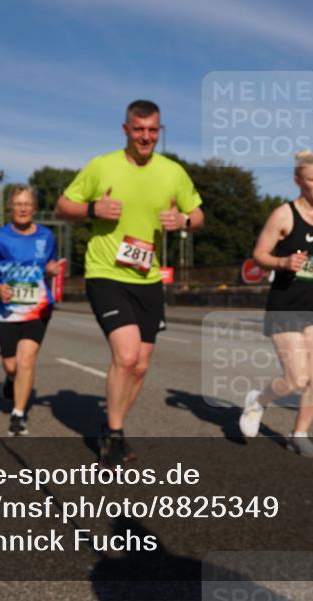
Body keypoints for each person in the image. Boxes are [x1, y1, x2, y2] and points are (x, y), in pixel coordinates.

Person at [56, 99, 203, 465]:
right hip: (106, 273)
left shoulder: (173, 172)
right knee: (125, 355)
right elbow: (62, 206)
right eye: (138, 130)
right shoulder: (101, 166)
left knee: (141, 365)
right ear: (125, 130)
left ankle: (111, 426)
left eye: (153, 130)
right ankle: (116, 435)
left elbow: (198, 214)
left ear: (160, 130)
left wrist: (183, 222)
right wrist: (93, 209)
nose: (146, 136)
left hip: (147, 278)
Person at [238, 151, 313, 457]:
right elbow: (258, 255)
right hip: (286, 302)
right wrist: (283, 261)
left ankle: (299, 434)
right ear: (297, 181)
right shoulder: (283, 215)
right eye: (312, 179)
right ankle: (258, 401)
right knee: (297, 378)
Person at [0, 187, 58, 436]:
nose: (23, 208)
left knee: (26, 360)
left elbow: (50, 262)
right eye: (18, 204)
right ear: (11, 208)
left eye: (27, 204)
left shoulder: (47, 236)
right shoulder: (0, 238)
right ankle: (10, 381)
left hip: (38, 308)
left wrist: (52, 268)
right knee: (11, 366)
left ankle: (18, 414)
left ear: (34, 208)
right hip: (6, 310)